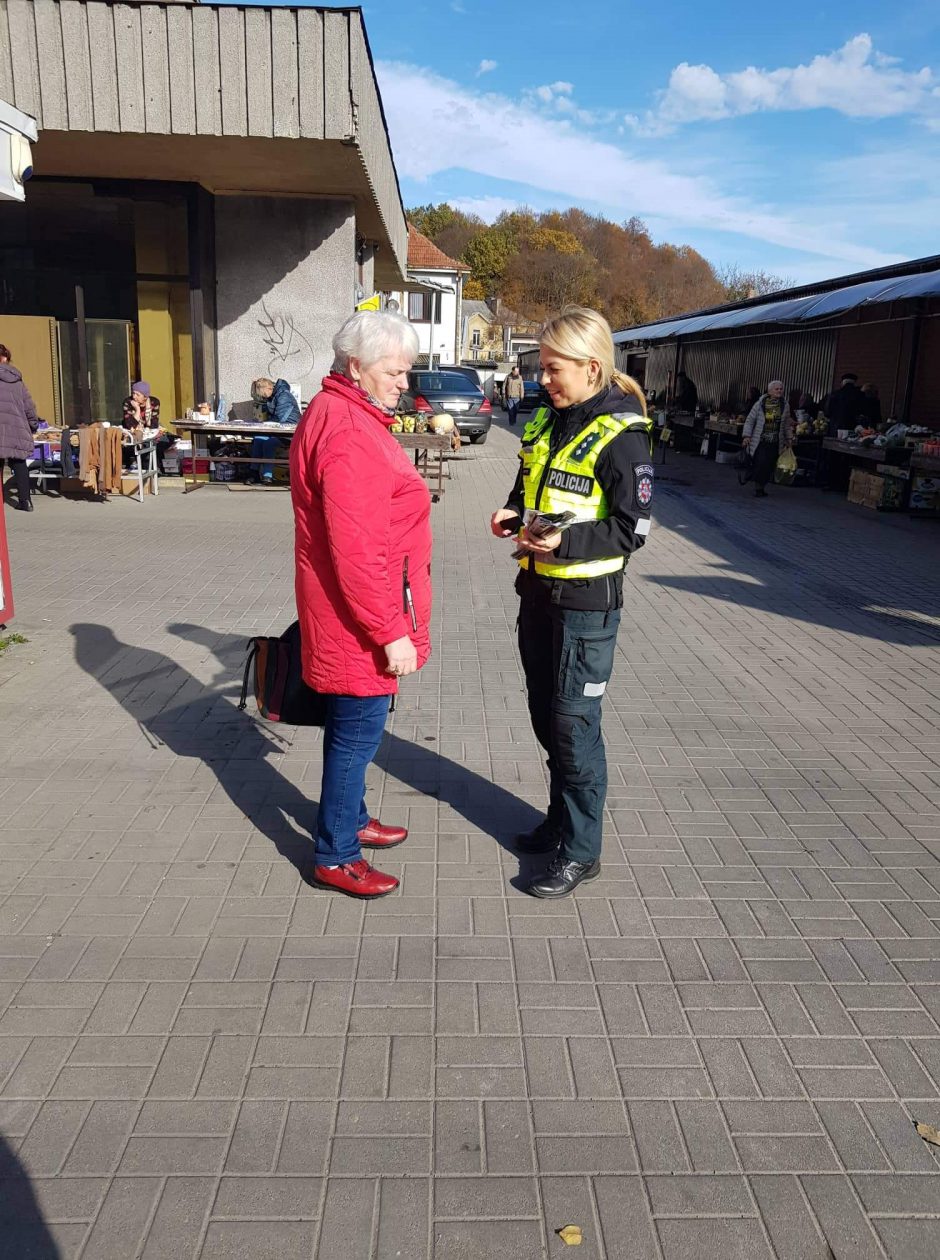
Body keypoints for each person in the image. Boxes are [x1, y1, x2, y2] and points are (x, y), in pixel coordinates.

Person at [490, 306, 653, 898]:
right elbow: (527, 484)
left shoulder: (623, 435)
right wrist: (512, 515)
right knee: (545, 715)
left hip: (586, 604)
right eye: (542, 368)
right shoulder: (546, 419)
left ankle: (583, 852)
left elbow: (635, 529)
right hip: (536, 590)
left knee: (573, 724)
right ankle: (561, 823)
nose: (543, 380)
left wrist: (566, 539)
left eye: (554, 370)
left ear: (592, 367)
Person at [290, 311, 432, 899]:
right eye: (393, 371)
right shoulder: (349, 430)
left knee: (353, 732)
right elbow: (359, 550)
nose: (403, 382)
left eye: (406, 371)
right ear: (356, 367)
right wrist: (390, 631)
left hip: (349, 614)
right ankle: (336, 854)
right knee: (356, 735)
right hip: (360, 621)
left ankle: (349, 820)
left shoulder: (345, 413)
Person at [0, 344, 39, 512]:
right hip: (16, 428)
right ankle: (26, 502)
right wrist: (33, 424)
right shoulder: (17, 381)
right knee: (19, 463)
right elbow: (29, 406)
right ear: (6, 358)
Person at [741, 379, 794, 498]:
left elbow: (786, 424)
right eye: (777, 389)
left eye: (781, 389)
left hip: (775, 441)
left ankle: (761, 486)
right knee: (761, 463)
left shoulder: (785, 405)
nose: (779, 391)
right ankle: (758, 488)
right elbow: (750, 420)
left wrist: (789, 438)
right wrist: (746, 436)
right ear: (770, 391)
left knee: (769, 465)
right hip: (761, 440)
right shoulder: (760, 403)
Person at [251, 377, 300, 483]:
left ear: (269, 389)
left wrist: (267, 423)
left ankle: (267, 476)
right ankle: (253, 472)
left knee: (269, 443)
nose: (262, 397)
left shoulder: (284, 396)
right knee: (258, 439)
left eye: (263, 394)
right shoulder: (274, 396)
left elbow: (281, 418)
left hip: (290, 431)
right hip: (278, 429)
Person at [122, 381, 169, 472]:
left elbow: (153, 425)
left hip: (148, 432)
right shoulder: (128, 402)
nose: (134, 396)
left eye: (137, 394)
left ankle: (154, 468)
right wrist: (137, 409)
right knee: (132, 443)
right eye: (133, 393)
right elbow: (130, 425)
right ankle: (138, 466)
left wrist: (148, 409)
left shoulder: (154, 402)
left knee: (161, 441)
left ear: (145, 396)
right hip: (133, 432)